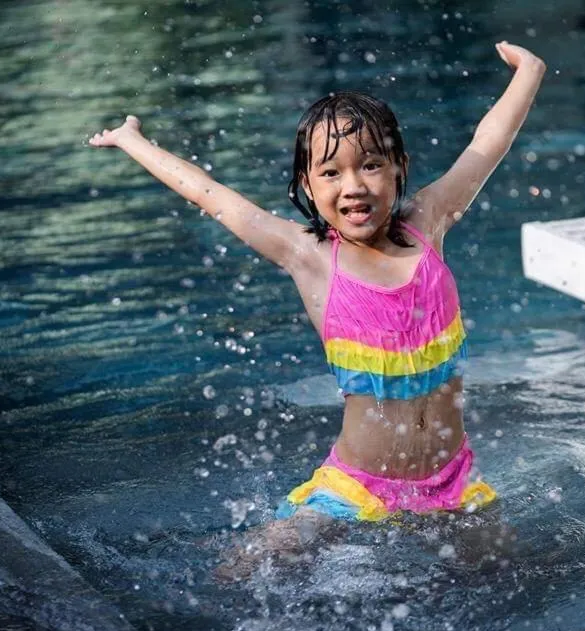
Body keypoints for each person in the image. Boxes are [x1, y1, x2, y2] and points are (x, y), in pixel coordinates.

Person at [89, 41, 545, 577]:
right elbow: (211, 196)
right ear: (306, 183)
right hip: (358, 486)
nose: (354, 186)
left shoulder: (428, 222)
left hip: (451, 481)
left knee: (512, 573)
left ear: (399, 168)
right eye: (331, 172)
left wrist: (529, 71)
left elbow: (487, 145)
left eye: (371, 165)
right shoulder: (308, 256)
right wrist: (132, 140)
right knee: (255, 565)